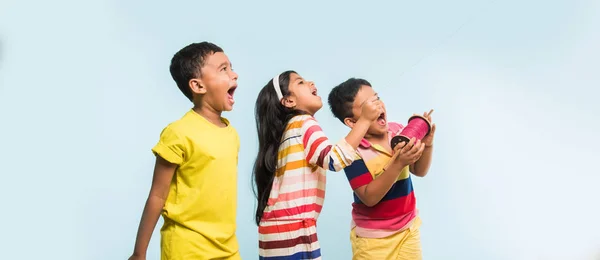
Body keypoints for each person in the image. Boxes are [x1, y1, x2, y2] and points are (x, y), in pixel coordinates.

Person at [252, 70, 383, 259]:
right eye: (301, 82)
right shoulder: (304, 123)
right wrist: (365, 120)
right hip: (293, 228)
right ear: (289, 101)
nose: (310, 82)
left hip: (278, 228)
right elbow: (334, 160)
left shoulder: (289, 130)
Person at [128, 42, 241, 260]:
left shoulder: (232, 134)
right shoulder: (178, 133)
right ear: (198, 86)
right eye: (223, 69)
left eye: (231, 67)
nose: (234, 74)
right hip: (186, 248)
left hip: (228, 248)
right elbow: (157, 195)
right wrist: (139, 253)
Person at [327, 78, 436, 260]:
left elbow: (419, 170)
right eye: (367, 106)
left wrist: (428, 145)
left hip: (408, 229)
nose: (377, 107)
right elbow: (369, 197)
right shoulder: (351, 152)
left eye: (377, 98)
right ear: (352, 122)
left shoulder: (398, 132)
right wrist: (398, 163)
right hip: (373, 240)